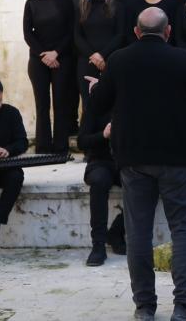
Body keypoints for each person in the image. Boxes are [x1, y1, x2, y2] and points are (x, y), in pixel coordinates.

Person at [87, 7, 186, 321]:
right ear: (168, 31)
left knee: (138, 234)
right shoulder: (184, 60)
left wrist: (95, 87)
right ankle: (185, 305)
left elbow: (97, 106)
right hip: (177, 159)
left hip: (133, 160)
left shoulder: (119, 60)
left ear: (136, 32)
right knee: (184, 231)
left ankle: (145, 307)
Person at [23, 0, 75, 153]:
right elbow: (28, 33)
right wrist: (43, 54)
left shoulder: (66, 2)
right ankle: (43, 147)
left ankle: (61, 147)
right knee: (42, 104)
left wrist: (56, 53)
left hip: (62, 58)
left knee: (61, 103)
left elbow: (71, 31)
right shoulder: (31, 3)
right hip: (38, 60)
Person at [77, 105, 126, 266]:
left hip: (127, 162)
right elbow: (82, 142)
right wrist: (103, 135)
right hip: (100, 162)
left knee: (147, 183)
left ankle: (117, 230)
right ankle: (98, 245)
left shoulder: (132, 101)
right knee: (99, 181)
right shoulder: (95, 105)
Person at [0, 77, 28, 248]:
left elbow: (22, 142)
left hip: (4, 169)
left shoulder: (11, 113)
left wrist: (8, 150)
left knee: (16, 177)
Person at [74, 0, 125, 115]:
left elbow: (120, 35)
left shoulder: (118, 7)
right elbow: (77, 36)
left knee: (113, 100)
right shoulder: (81, 8)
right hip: (87, 61)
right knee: (88, 101)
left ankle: (112, 136)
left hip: (112, 59)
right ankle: (89, 136)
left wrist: (102, 55)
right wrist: (93, 56)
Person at [58, 0, 90, 134]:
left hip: (88, 50)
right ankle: (71, 135)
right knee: (68, 96)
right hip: (67, 50)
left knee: (89, 95)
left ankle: (87, 134)